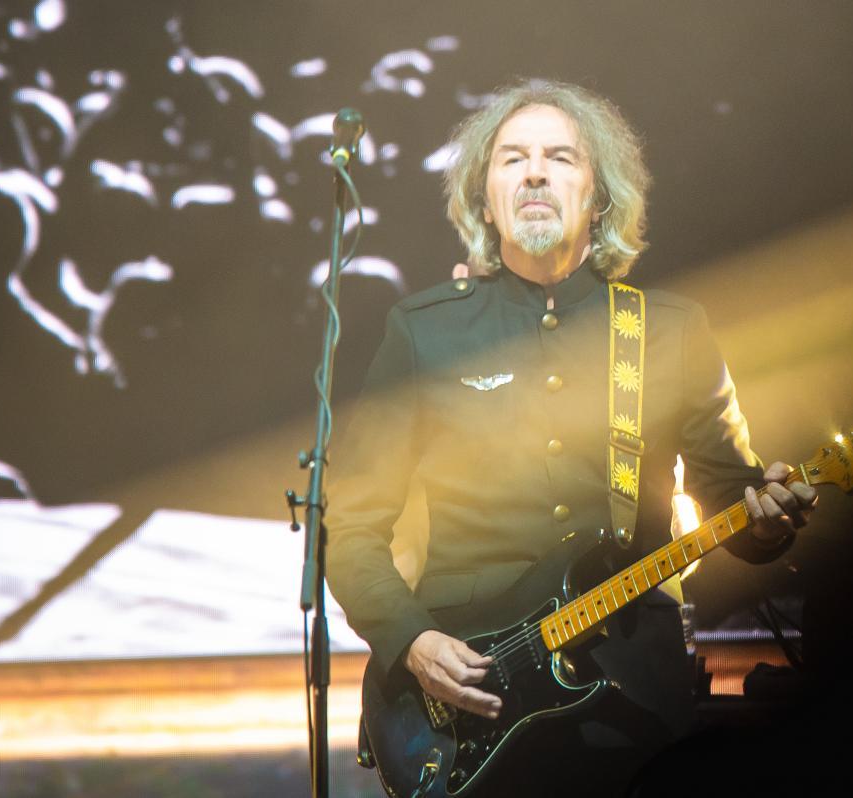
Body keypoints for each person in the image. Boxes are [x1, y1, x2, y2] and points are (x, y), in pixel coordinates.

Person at [325, 79, 817, 796]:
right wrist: (411, 641)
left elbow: (731, 500)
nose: (534, 173)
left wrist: (767, 521)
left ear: (600, 195)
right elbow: (350, 527)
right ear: (483, 199)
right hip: (470, 697)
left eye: (560, 157)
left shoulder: (669, 331)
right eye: (512, 159)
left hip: (634, 699)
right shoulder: (424, 332)